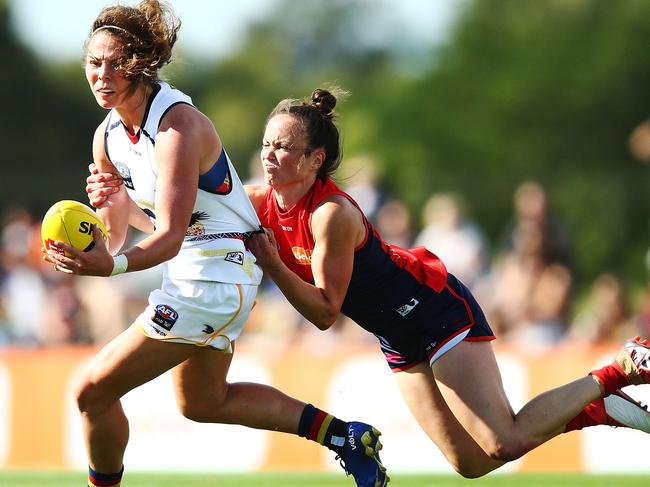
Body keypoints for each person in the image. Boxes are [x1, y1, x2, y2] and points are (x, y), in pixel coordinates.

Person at [44, 3, 387, 487]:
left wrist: (110, 266)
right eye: (94, 63)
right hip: (190, 272)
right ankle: (342, 436)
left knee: (91, 391)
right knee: (204, 403)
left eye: (116, 62)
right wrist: (101, 232)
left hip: (217, 277)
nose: (102, 74)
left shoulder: (178, 127)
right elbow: (121, 233)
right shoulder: (106, 137)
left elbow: (168, 236)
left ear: (140, 63)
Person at [237, 88, 650, 477]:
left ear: (314, 159)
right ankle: (600, 410)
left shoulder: (330, 214)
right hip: (395, 334)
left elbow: (326, 312)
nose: (269, 155)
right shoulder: (256, 202)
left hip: (432, 308)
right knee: (468, 464)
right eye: (266, 143)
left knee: (502, 443)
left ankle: (619, 368)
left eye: (283, 147)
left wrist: (271, 264)